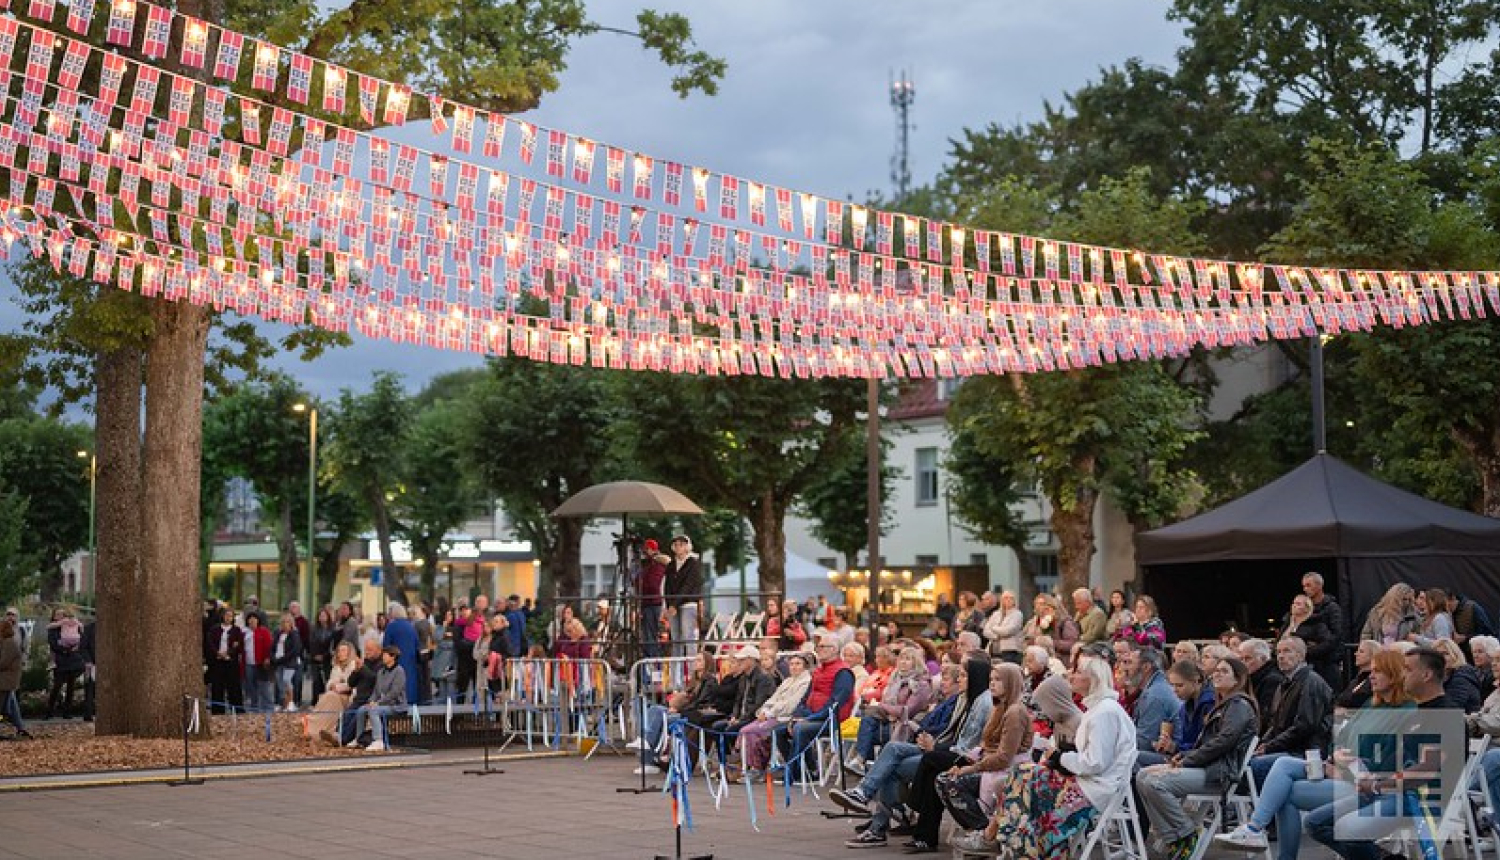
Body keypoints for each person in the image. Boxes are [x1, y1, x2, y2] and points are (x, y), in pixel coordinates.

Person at [1216, 647, 1413, 856]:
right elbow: (1340, 740)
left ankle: (1258, 832)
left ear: (1394, 674)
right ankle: (1255, 830)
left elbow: (1386, 760)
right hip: (1339, 769)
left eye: (1378, 671)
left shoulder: (1406, 711)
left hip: (1363, 780)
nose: (1371, 676)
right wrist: (1334, 757)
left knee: (1284, 790)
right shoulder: (1369, 705)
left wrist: (1347, 766)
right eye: (1371, 670)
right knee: (1283, 765)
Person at [957, 651, 1137, 859]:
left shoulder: (1104, 713)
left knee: (1022, 780)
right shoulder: (1099, 710)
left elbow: (1094, 763)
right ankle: (999, 839)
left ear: (1093, 679)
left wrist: (1059, 757)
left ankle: (998, 839)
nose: (1071, 675)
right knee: (1021, 774)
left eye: (1077, 671)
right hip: (1087, 782)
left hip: (1092, 789)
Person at [1306, 647, 1455, 860]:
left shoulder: (1443, 715)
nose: (1401, 674)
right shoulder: (1419, 713)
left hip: (1420, 799)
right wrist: (1365, 770)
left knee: (1347, 830)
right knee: (1315, 823)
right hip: (1392, 790)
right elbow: (1397, 758)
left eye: (1407, 669)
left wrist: (1378, 785)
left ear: (1427, 675)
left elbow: (1426, 771)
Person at [833, 658, 993, 847]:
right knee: (891, 749)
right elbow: (943, 728)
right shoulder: (963, 699)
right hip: (938, 746)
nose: (959, 680)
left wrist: (933, 743)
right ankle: (865, 795)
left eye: (963, 676)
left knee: (889, 766)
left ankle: (884, 822)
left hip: (952, 754)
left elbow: (966, 743)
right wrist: (925, 736)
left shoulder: (982, 703)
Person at [1135, 656, 1259, 860]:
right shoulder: (1225, 704)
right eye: (1216, 670)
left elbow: (1223, 742)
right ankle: (1173, 837)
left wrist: (1187, 760)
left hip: (1220, 773)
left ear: (1238, 679)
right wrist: (1182, 755)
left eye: (1224, 671)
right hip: (1209, 767)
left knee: (1155, 782)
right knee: (1142, 775)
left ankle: (1185, 832)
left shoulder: (1239, 705)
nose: (1217, 674)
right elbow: (1205, 744)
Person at [905, 663, 1032, 853]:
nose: (992, 684)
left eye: (998, 680)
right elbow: (984, 744)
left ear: (1011, 683)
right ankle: (930, 835)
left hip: (1008, 772)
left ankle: (985, 833)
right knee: (938, 773)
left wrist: (970, 767)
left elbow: (1004, 757)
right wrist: (969, 758)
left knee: (944, 779)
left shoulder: (1014, 712)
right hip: (986, 763)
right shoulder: (999, 707)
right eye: (991, 680)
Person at [1248, 636, 1334, 787]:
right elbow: (1275, 723)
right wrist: (1263, 744)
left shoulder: (1311, 683)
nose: (1281, 656)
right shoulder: (1286, 683)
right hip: (1289, 748)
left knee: (1254, 765)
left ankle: (1264, 807)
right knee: (1246, 760)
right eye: (1278, 652)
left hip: (1305, 752)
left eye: (1287, 651)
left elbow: (1304, 726)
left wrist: (1270, 747)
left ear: (1301, 655)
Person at [774, 634, 857, 782]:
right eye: (818, 646)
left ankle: (794, 772)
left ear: (834, 649)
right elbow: (805, 698)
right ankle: (802, 771)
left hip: (833, 721)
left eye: (823, 646)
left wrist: (808, 718)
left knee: (801, 729)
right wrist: (797, 715)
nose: (819, 649)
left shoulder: (843, 672)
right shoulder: (818, 671)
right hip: (812, 717)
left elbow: (835, 704)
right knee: (779, 731)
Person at [847, 645, 933, 774]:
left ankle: (865, 764)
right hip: (888, 720)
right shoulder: (895, 679)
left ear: (916, 663)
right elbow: (886, 702)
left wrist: (882, 706)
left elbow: (907, 711)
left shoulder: (921, 684)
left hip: (906, 725)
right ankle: (862, 762)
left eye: (908, 659)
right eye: (901, 658)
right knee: (868, 721)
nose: (903, 662)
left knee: (868, 731)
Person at [736, 650, 815, 777]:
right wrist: (764, 710)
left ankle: (758, 767)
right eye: (792, 664)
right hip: (772, 714)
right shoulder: (788, 681)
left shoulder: (806, 681)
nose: (794, 667)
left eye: (798, 664)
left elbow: (791, 705)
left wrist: (770, 712)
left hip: (786, 717)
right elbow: (773, 698)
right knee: (745, 730)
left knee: (753, 731)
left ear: (804, 666)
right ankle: (748, 766)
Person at [1139, 660, 1216, 768]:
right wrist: (1168, 745)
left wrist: (1174, 747)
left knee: (1135, 759)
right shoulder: (1186, 706)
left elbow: (1204, 744)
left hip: (1197, 761)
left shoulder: (1208, 704)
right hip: (1183, 756)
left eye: (1179, 685)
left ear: (1195, 681)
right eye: (1172, 685)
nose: (1174, 690)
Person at [357, 645, 408, 752]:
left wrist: (378, 703)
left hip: (395, 705)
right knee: (361, 710)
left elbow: (394, 693)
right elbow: (376, 691)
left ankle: (378, 740)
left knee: (374, 710)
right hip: (381, 703)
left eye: (385, 655)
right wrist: (371, 701)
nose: (383, 657)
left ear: (393, 657)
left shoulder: (399, 671)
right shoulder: (381, 672)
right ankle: (359, 738)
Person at [1299, 572, 1346, 688]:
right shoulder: (1304, 609)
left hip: (1328, 662)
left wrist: (1313, 649)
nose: (1305, 589)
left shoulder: (1332, 608)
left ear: (1319, 586)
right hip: (1309, 661)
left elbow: (1336, 635)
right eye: (1304, 586)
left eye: (1308, 585)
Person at [312, 640, 362, 746]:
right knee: (327, 696)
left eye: (343, 650)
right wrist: (333, 685)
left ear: (349, 652)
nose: (340, 653)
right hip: (335, 694)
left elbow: (352, 684)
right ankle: (315, 724)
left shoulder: (354, 665)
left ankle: (325, 728)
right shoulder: (336, 667)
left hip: (348, 696)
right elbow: (330, 682)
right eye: (339, 651)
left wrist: (339, 686)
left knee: (331, 697)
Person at [664, 535, 703, 655]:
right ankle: (676, 672)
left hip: (688, 603)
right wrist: (669, 605)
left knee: (688, 636)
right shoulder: (671, 565)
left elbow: (688, 586)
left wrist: (673, 605)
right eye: (676, 544)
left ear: (687, 547)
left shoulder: (693, 564)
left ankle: (692, 671)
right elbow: (668, 586)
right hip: (674, 605)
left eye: (681, 544)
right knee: (676, 639)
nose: (678, 547)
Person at [45, 609, 86, 719]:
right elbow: (53, 644)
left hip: (72, 660)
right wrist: (65, 650)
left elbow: (81, 636)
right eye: (57, 614)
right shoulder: (53, 629)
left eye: (62, 614)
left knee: (71, 686)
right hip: (60, 661)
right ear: (53, 616)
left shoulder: (70, 624)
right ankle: (49, 711)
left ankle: (67, 712)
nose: (60, 616)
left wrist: (77, 646)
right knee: (57, 686)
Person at [380, 603, 421, 705]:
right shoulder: (411, 626)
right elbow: (417, 645)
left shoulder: (391, 626)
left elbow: (386, 646)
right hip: (410, 663)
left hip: (396, 663)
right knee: (410, 687)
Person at [1238, 637, 1284, 728]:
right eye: (1241, 659)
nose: (1243, 663)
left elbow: (1265, 716)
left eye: (1247, 658)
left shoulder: (1272, 680)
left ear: (1263, 659)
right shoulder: (1250, 678)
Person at [205, 607, 244, 713]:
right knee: (217, 687)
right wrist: (217, 653)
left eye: (231, 616)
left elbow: (238, 645)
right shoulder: (215, 629)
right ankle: (218, 710)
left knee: (233, 687)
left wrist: (228, 653)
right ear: (222, 616)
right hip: (217, 661)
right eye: (227, 615)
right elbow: (210, 643)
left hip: (231, 662)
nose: (228, 618)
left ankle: (236, 710)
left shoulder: (236, 630)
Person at [1433, 636, 1484, 713]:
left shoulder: (1462, 677)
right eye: (1437, 654)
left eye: (1445, 653)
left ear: (1455, 656)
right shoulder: (1443, 677)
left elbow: (1451, 709)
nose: (1441, 657)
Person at [0, 616, 30, 739]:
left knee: (2, 707)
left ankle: (20, 728)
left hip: (5, 680)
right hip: (6, 680)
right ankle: (21, 728)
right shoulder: (6, 642)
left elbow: (3, 663)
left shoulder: (10, 644)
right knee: (11, 706)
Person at [637, 540, 667, 658]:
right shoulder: (649, 564)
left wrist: (640, 582)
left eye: (647, 549)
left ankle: (653, 660)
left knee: (651, 635)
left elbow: (654, 585)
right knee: (649, 635)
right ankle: (651, 659)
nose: (645, 552)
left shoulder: (657, 564)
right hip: (649, 603)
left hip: (653, 603)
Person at [1335, 639, 1382, 713]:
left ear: (1373, 655)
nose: (1356, 654)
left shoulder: (1374, 681)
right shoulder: (1356, 680)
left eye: (1361, 651)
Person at [241, 611, 274, 713]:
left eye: (254, 618)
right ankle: (254, 707)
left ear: (258, 620)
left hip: (261, 663)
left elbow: (269, 646)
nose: (252, 620)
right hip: (248, 663)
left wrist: (267, 658)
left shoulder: (264, 631)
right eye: (250, 618)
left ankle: (268, 708)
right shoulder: (244, 632)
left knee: (264, 686)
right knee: (251, 686)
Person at [272, 612, 304, 713]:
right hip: (278, 662)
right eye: (283, 622)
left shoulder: (294, 634)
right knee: (280, 684)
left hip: (289, 662)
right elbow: (272, 646)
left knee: (287, 680)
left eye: (287, 622)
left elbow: (295, 650)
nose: (285, 624)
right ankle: (282, 703)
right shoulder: (278, 633)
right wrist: (273, 657)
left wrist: (282, 659)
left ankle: (291, 703)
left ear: (291, 623)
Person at [983, 591, 1025, 664]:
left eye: (1011, 598)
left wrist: (993, 628)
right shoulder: (996, 614)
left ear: (1014, 601)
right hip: (993, 650)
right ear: (1001, 600)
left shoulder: (1017, 614)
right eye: (1006, 598)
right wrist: (996, 636)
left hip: (1010, 651)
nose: (1008, 600)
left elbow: (1008, 631)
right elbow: (985, 631)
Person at [308, 606, 338, 702]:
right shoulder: (313, 629)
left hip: (327, 659)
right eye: (320, 616)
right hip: (315, 658)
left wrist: (324, 655)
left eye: (324, 616)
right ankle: (315, 701)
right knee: (316, 680)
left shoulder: (333, 630)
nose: (322, 618)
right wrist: (315, 655)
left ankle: (327, 701)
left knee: (328, 680)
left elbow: (333, 645)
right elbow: (311, 643)